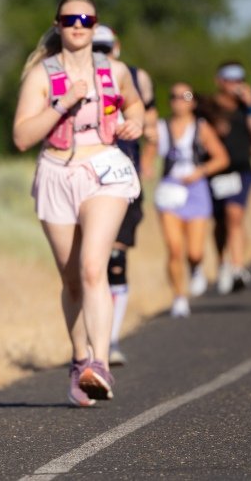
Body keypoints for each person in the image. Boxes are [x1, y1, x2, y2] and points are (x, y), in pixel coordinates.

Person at [13, 0, 145, 406]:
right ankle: (79, 360)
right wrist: (64, 102)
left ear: (95, 25)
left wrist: (136, 121)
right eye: (70, 19)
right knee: (71, 279)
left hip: (104, 169)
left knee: (93, 268)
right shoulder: (41, 76)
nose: (78, 25)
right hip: (56, 173)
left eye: (86, 19)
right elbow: (21, 137)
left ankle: (100, 363)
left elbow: (136, 102)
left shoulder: (115, 70)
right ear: (57, 24)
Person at [92, 25, 158, 367]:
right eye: (95, 46)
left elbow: (150, 121)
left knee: (115, 259)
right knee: (90, 264)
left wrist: (145, 160)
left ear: (117, 46)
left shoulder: (134, 76)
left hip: (122, 174)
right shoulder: (74, 75)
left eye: (105, 46)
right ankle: (92, 340)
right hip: (86, 178)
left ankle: (110, 340)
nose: (101, 52)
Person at [154, 84, 229, 318]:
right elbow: (148, 156)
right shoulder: (161, 128)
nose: (179, 101)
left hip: (195, 190)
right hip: (170, 189)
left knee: (194, 251)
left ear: (193, 102)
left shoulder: (201, 128)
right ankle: (179, 296)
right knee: (174, 248)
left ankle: (196, 267)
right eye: (174, 96)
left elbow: (221, 158)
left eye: (185, 97)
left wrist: (201, 171)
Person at [207, 61, 251, 295]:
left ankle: (238, 266)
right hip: (215, 172)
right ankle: (222, 264)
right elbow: (186, 96)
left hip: (241, 169)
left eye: (239, 79)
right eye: (229, 79)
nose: (234, 85)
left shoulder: (249, 107)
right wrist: (184, 94)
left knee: (235, 215)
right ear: (219, 81)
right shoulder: (210, 104)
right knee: (220, 222)